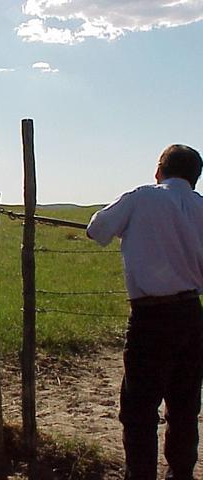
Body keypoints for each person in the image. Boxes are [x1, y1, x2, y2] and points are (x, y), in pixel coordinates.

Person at [86, 144, 203, 480]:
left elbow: (97, 230)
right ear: (195, 177)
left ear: (159, 170)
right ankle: (180, 474)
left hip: (151, 317)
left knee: (139, 409)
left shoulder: (142, 198)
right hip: (191, 315)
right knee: (184, 404)